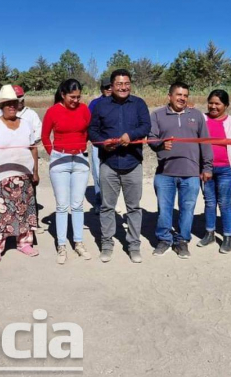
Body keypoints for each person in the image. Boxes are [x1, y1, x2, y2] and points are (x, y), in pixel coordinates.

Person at [88, 69, 152, 263]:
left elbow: (145, 126)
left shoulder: (139, 104)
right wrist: (103, 142)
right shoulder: (101, 106)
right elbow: (92, 130)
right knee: (108, 207)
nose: (123, 87)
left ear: (130, 84)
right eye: (119, 84)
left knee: (134, 207)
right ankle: (106, 244)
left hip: (133, 163)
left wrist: (130, 136)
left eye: (126, 84)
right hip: (109, 164)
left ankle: (133, 245)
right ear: (112, 85)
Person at [149, 82, 213, 258]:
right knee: (164, 208)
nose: (182, 98)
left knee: (187, 208)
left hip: (191, 173)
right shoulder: (157, 115)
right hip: (165, 173)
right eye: (178, 94)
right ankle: (164, 239)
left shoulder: (197, 115)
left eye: (185, 95)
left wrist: (207, 167)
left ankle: (182, 240)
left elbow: (205, 143)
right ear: (169, 96)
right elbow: (151, 139)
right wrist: (161, 144)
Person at [0, 85, 40, 263]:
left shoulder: (26, 124)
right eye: (7, 104)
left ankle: (24, 243)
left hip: (24, 176)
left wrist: (35, 171)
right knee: (0, 213)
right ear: (1, 106)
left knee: (23, 210)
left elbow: (33, 149)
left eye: (14, 103)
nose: (11, 106)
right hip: (1, 177)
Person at [42, 79, 92, 264]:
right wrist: (53, 154)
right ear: (63, 94)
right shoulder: (53, 111)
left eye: (78, 97)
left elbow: (87, 131)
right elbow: (45, 136)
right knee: (62, 206)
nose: (76, 100)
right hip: (59, 161)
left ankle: (78, 242)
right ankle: (61, 245)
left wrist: (80, 146)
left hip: (80, 160)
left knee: (78, 205)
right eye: (72, 97)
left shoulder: (84, 109)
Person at [197, 89, 231, 253]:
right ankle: (209, 234)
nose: (213, 106)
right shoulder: (201, 119)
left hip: (226, 170)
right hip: (206, 169)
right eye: (211, 103)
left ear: (226, 105)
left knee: (224, 203)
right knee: (209, 202)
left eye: (218, 103)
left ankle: (227, 237)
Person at [87, 78, 112, 214]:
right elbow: (89, 124)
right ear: (101, 89)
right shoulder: (95, 103)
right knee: (98, 173)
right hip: (98, 144)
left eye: (110, 86)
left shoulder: (118, 102)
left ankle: (109, 202)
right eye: (106, 87)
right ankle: (99, 202)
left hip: (114, 144)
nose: (108, 89)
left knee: (111, 174)